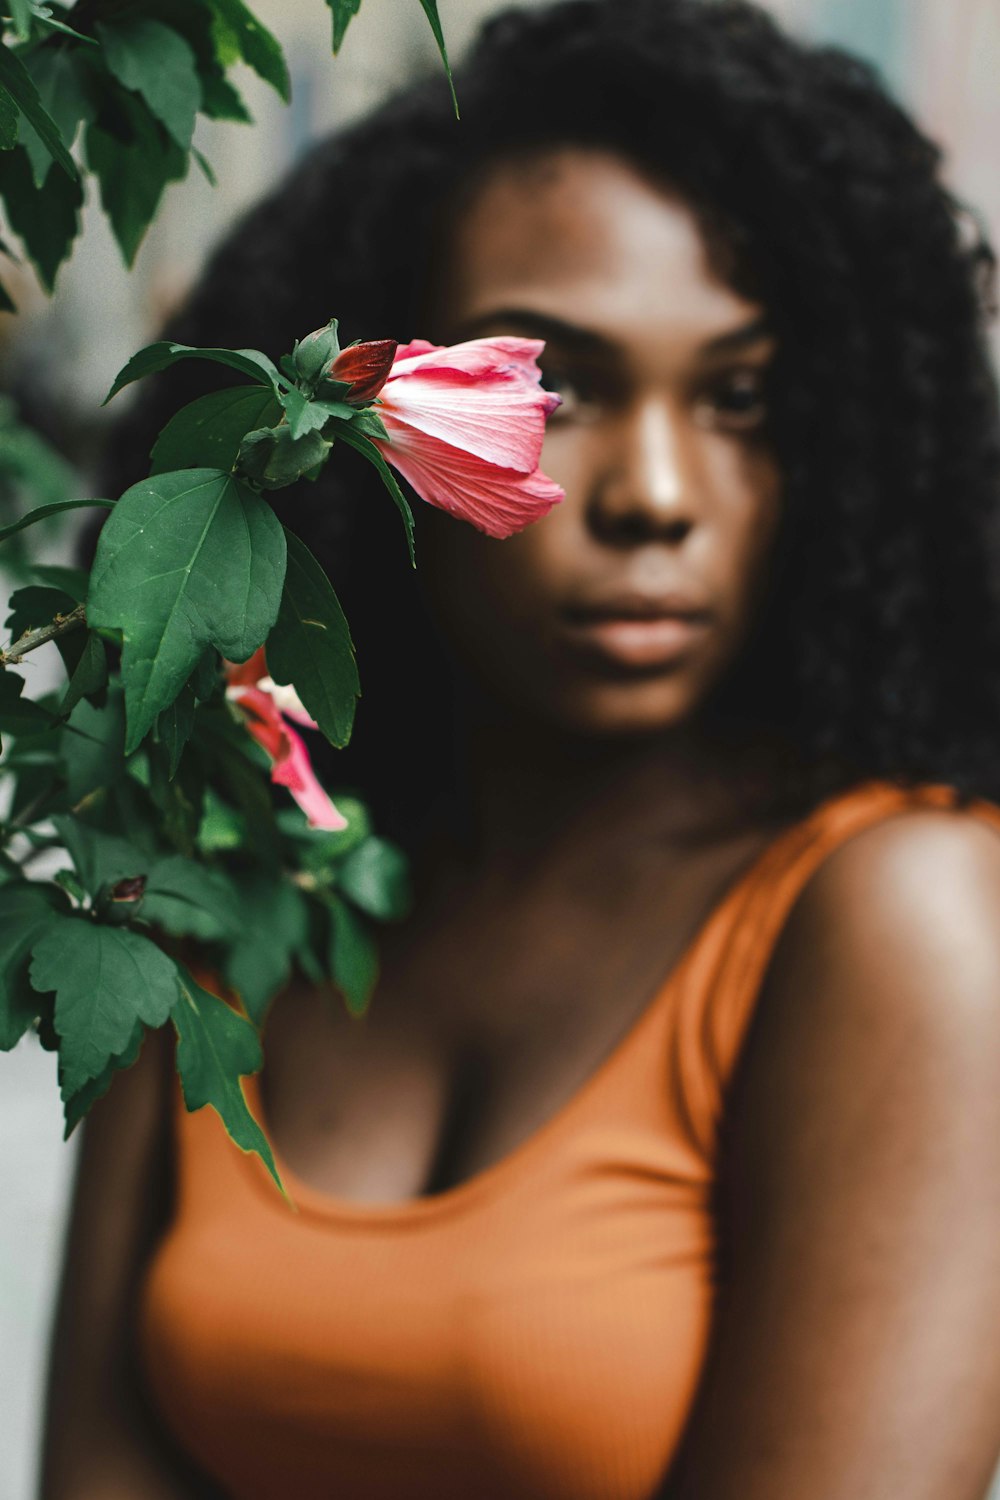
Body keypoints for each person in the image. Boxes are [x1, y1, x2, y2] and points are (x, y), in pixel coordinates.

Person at [40, 2, 1000, 1497]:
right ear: (366, 422)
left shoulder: (894, 918)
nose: (661, 496)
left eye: (741, 398)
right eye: (553, 391)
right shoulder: (232, 853)